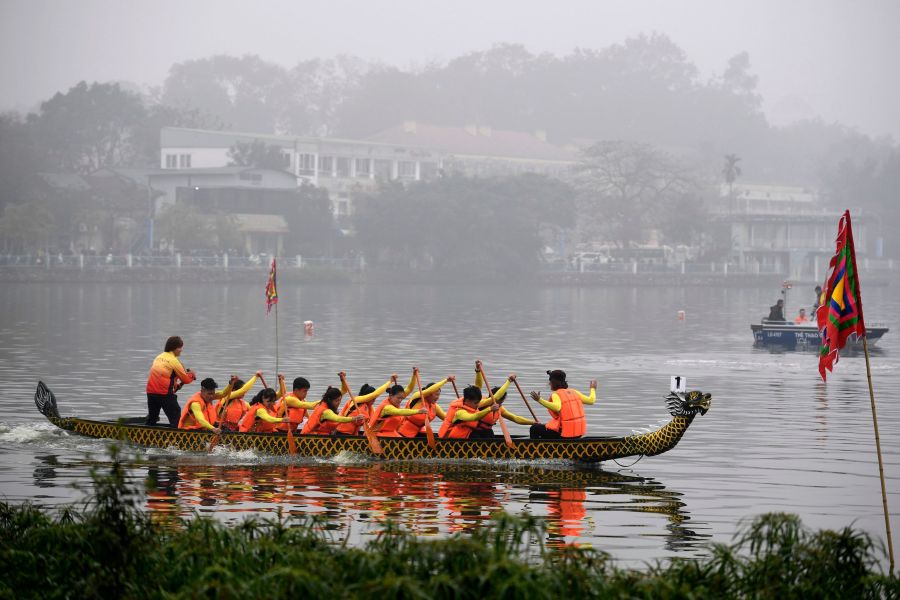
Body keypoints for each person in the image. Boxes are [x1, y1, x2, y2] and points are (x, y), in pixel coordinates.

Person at [528, 370, 596, 439]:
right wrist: (592, 388)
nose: (549, 384)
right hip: (578, 433)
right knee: (545, 426)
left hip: (565, 434)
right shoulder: (574, 392)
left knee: (534, 428)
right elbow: (591, 400)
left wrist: (539, 400)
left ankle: (536, 448)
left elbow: (557, 407)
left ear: (554, 382)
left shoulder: (556, 394)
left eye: (550, 381)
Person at [146, 335, 196, 426]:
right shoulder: (174, 361)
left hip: (150, 392)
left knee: (152, 418)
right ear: (174, 348)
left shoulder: (158, 357)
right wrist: (191, 375)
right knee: (176, 415)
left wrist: (175, 383)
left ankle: (146, 434)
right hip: (164, 394)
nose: (181, 350)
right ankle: (177, 437)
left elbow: (166, 375)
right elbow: (186, 379)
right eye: (180, 347)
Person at [300, 387, 365, 435]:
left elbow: (344, 389)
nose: (339, 403)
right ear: (329, 400)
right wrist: (354, 418)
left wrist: (342, 380)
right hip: (311, 437)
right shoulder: (326, 412)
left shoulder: (321, 403)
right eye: (337, 401)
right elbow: (338, 418)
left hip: (321, 435)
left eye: (340, 400)